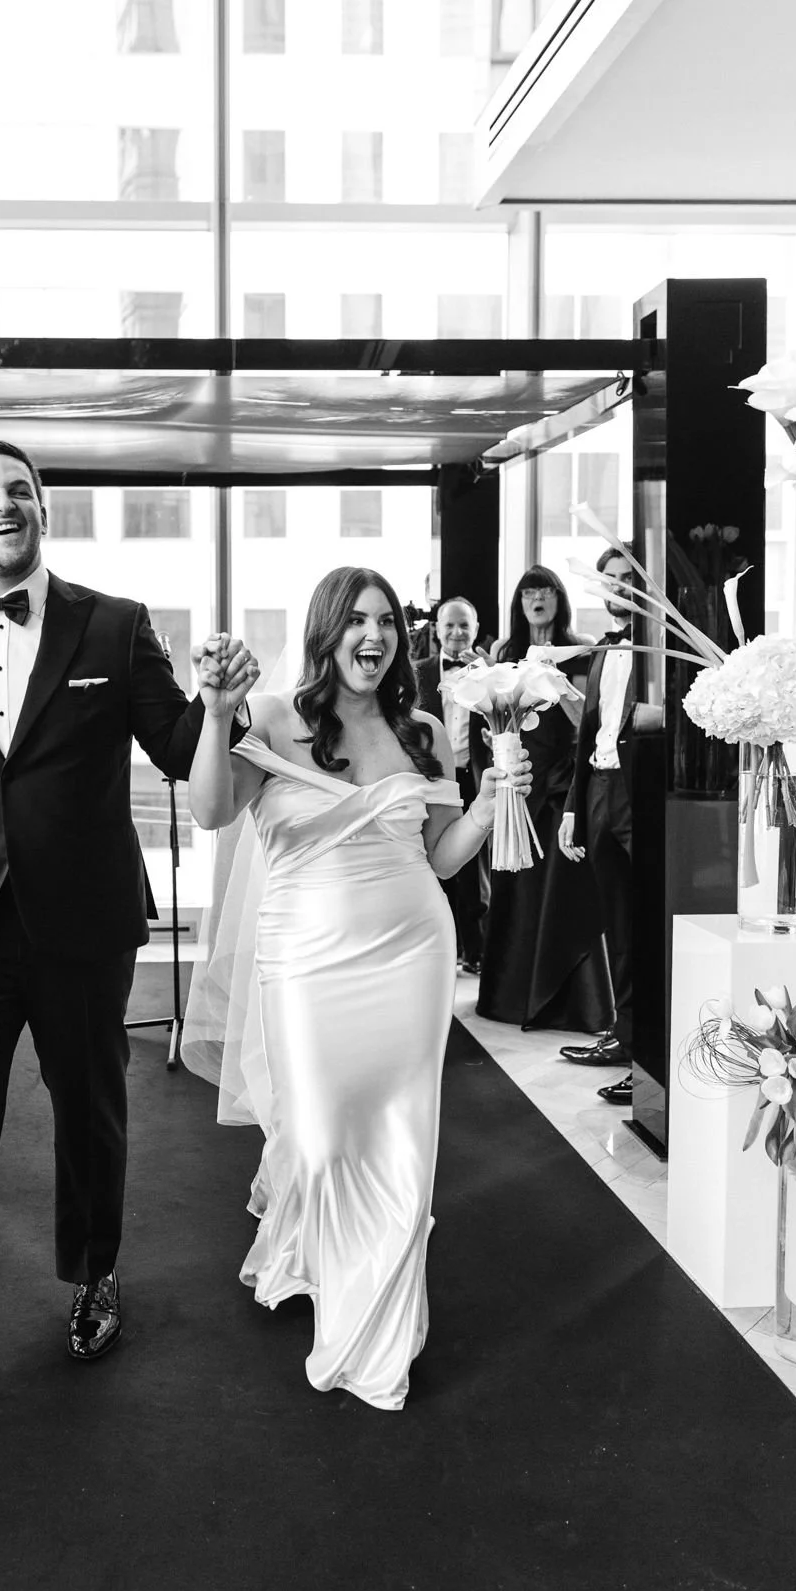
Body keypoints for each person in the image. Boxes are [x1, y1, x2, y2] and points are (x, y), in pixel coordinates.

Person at [0, 437, 255, 1454]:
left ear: (44, 511)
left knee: (90, 1109)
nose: (6, 505)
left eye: (21, 492)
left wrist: (220, 702)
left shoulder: (116, 626)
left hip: (84, 925)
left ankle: (92, 1277)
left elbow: (180, 750)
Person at [187, 567, 529, 1411]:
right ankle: (313, 1241)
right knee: (317, 1137)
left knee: (401, 1139)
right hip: (303, 959)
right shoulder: (271, 718)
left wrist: (486, 805)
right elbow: (207, 814)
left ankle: (370, 1325)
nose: (371, 637)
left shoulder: (422, 733)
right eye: (354, 622)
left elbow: (440, 855)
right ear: (326, 631)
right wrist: (216, 710)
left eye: (383, 622)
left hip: (411, 953)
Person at [474, 566, 612, 1036]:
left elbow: (591, 722)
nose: (537, 598)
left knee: (564, 891)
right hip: (517, 786)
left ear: (559, 598)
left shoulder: (583, 648)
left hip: (561, 788)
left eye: (545, 590)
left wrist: (557, 680)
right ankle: (509, 998)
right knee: (516, 887)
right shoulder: (505, 654)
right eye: (528, 591)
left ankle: (573, 1005)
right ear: (519, 601)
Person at [557, 547, 660, 1103]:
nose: (620, 588)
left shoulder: (659, 648)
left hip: (638, 794)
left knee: (643, 928)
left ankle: (647, 1057)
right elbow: (588, 734)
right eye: (612, 580)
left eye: (629, 578)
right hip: (597, 790)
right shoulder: (602, 650)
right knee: (616, 926)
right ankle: (623, 1036)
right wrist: (574, 805)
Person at [414, 595, 489, 973]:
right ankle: (439, 950)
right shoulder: (418, 672)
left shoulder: (491, 675)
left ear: (475, 631)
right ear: (437, 630)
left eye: (465, 625)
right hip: (430, 780)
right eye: (450, 625)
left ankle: (475, 951)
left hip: (472, 777)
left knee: (473, 871)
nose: (457, 632)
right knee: (432, 860)